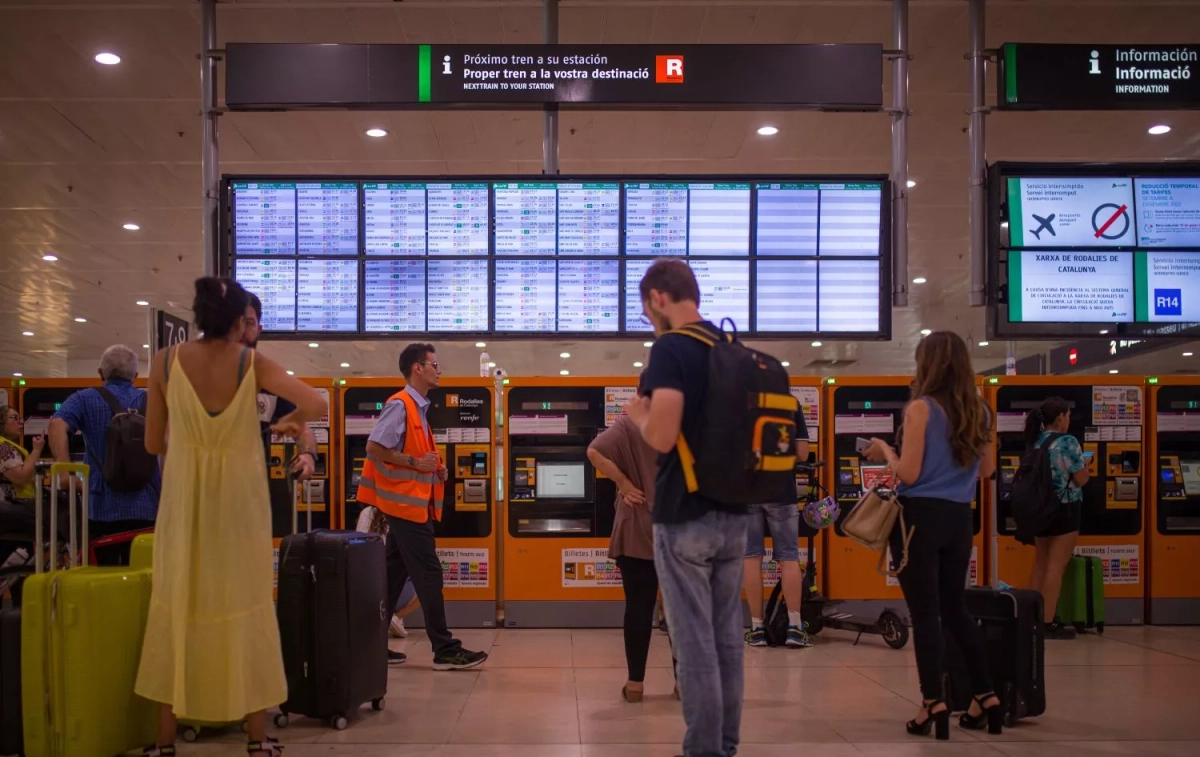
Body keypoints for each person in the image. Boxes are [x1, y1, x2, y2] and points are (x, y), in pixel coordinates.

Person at [135, 277, 327, 757]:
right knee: (247, 604)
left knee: (175, 605)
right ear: (243, 321)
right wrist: (288, 423)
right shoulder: (250, 361)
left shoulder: (165, 363)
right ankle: (256, 738)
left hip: (184, 501)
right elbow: (319, 402)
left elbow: (153, 443)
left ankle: (164, 742)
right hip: (240, 504)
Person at [624, 259, 748, 757]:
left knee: (693, 640)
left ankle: (703, 750)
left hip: (684, 515)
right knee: (727, 641)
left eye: (645, 307)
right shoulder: (730, 348)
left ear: (657, 297)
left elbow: (663, 435)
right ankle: (725, 746)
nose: (648, 317)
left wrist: (639, 414)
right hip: (735, 512)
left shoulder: (671, 347)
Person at [864, 331, 1002, 740]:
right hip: (960, 520)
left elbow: (908, 473)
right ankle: (986, 696)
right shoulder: (981, 411)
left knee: (925, 614)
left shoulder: (920, 409)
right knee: (956, 609)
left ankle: (933, 703)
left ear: (929, 364)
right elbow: (989, 471)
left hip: (917, 522)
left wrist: (884, 452)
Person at [357, 343, 488, 671]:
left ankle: (366, 645)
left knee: (391, 575)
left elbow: (416, 456)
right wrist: (417, 463)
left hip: (409, 507)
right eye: (434, 364)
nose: (439, 369)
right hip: (405, 509)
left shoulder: (418, 410)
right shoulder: (400, 405)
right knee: (429, 573)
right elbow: (374, 447)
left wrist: (435, 468)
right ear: (417, 368)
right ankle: (445, 649)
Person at [587, 374, 675, 703]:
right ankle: (683, 683)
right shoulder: (682, 425)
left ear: (639, 392)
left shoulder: (627, 425)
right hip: (677, 530)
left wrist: (623, 484)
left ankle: (635, 684)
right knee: (680, 611)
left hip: (637, 527)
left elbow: (594, 452)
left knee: (638, 608)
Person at [48, 345, 161, 565]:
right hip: (147, 504)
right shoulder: (152, 401)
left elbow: (56, 425)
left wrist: (64, 470)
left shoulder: (84, 399)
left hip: (101, 506)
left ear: (101, 373)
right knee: (144, 577)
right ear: (135, 376)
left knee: (103, 578)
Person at [243, 293, 318, 527]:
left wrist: (308, 455)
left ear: (259, 328)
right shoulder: (200, 378)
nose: (241, 331)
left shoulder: (268, 382)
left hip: (252, 498)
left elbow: (303, 429)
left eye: (249, 323)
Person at [743, 408, 812, 648]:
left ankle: (757, 628)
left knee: (751, 558)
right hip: (781, 492)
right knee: (789, 558)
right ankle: (794, 627)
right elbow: (803, 453)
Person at [1024, 396, 1089, 641]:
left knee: (1040, 563)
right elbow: (1081, 478)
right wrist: (1087, 466)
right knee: (1055, 566)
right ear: (1061, 416)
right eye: (1068, 416)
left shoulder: (1036, 440)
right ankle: (1047, 622)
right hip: (1065, 508)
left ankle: (1030, 619)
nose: (1069, 420)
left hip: (1040, 509)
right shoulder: (1067, 442)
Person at [356, 504, 421, 638]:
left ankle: (387, 616)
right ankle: (395, 616)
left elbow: (359, 544)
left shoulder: (367, 512)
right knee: (428, 581)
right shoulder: (401, 515)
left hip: (365, 578)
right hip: (383, 581)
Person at [0, 404, 42, 565]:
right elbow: (21, 477)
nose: (21, 422)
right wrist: (37, 450)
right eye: (14, 418)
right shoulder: (3, 447)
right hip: (9, 514)